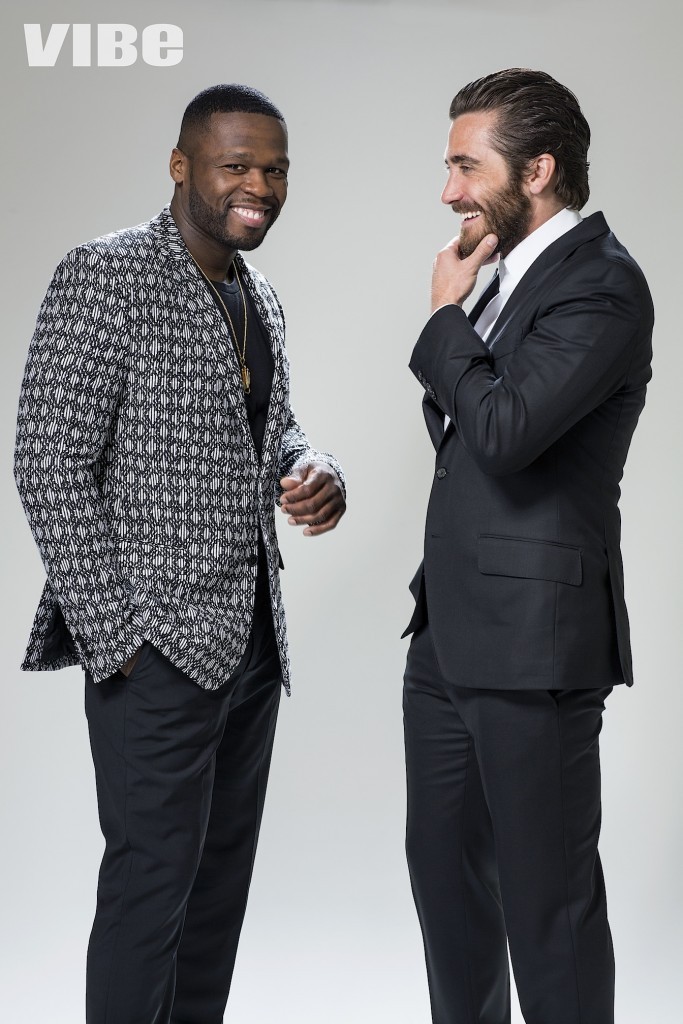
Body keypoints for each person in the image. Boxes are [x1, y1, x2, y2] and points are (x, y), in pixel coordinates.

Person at [14, 83, 345, 1023]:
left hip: (251, 642)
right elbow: (47, 460)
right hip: (154, 650)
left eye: (275, 170)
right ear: (180, 166)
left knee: (215, 892)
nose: (260, 187)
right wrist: (118, 638)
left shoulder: (256, 295)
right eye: (236, 165)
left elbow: (268, 428)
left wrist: (314, 465)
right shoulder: (106, 275)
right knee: (149, 889)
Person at [403, 69, 653, 1024]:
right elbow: (469, 435)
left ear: (537, 170)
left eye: (466, 166)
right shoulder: (505, 280)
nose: (449, 191)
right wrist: (462, 315)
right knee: (447, 885)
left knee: (547, 904)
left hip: (534, 644)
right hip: (447, 638)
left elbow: (505, 432)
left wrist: (441, 316)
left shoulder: (602, 285)